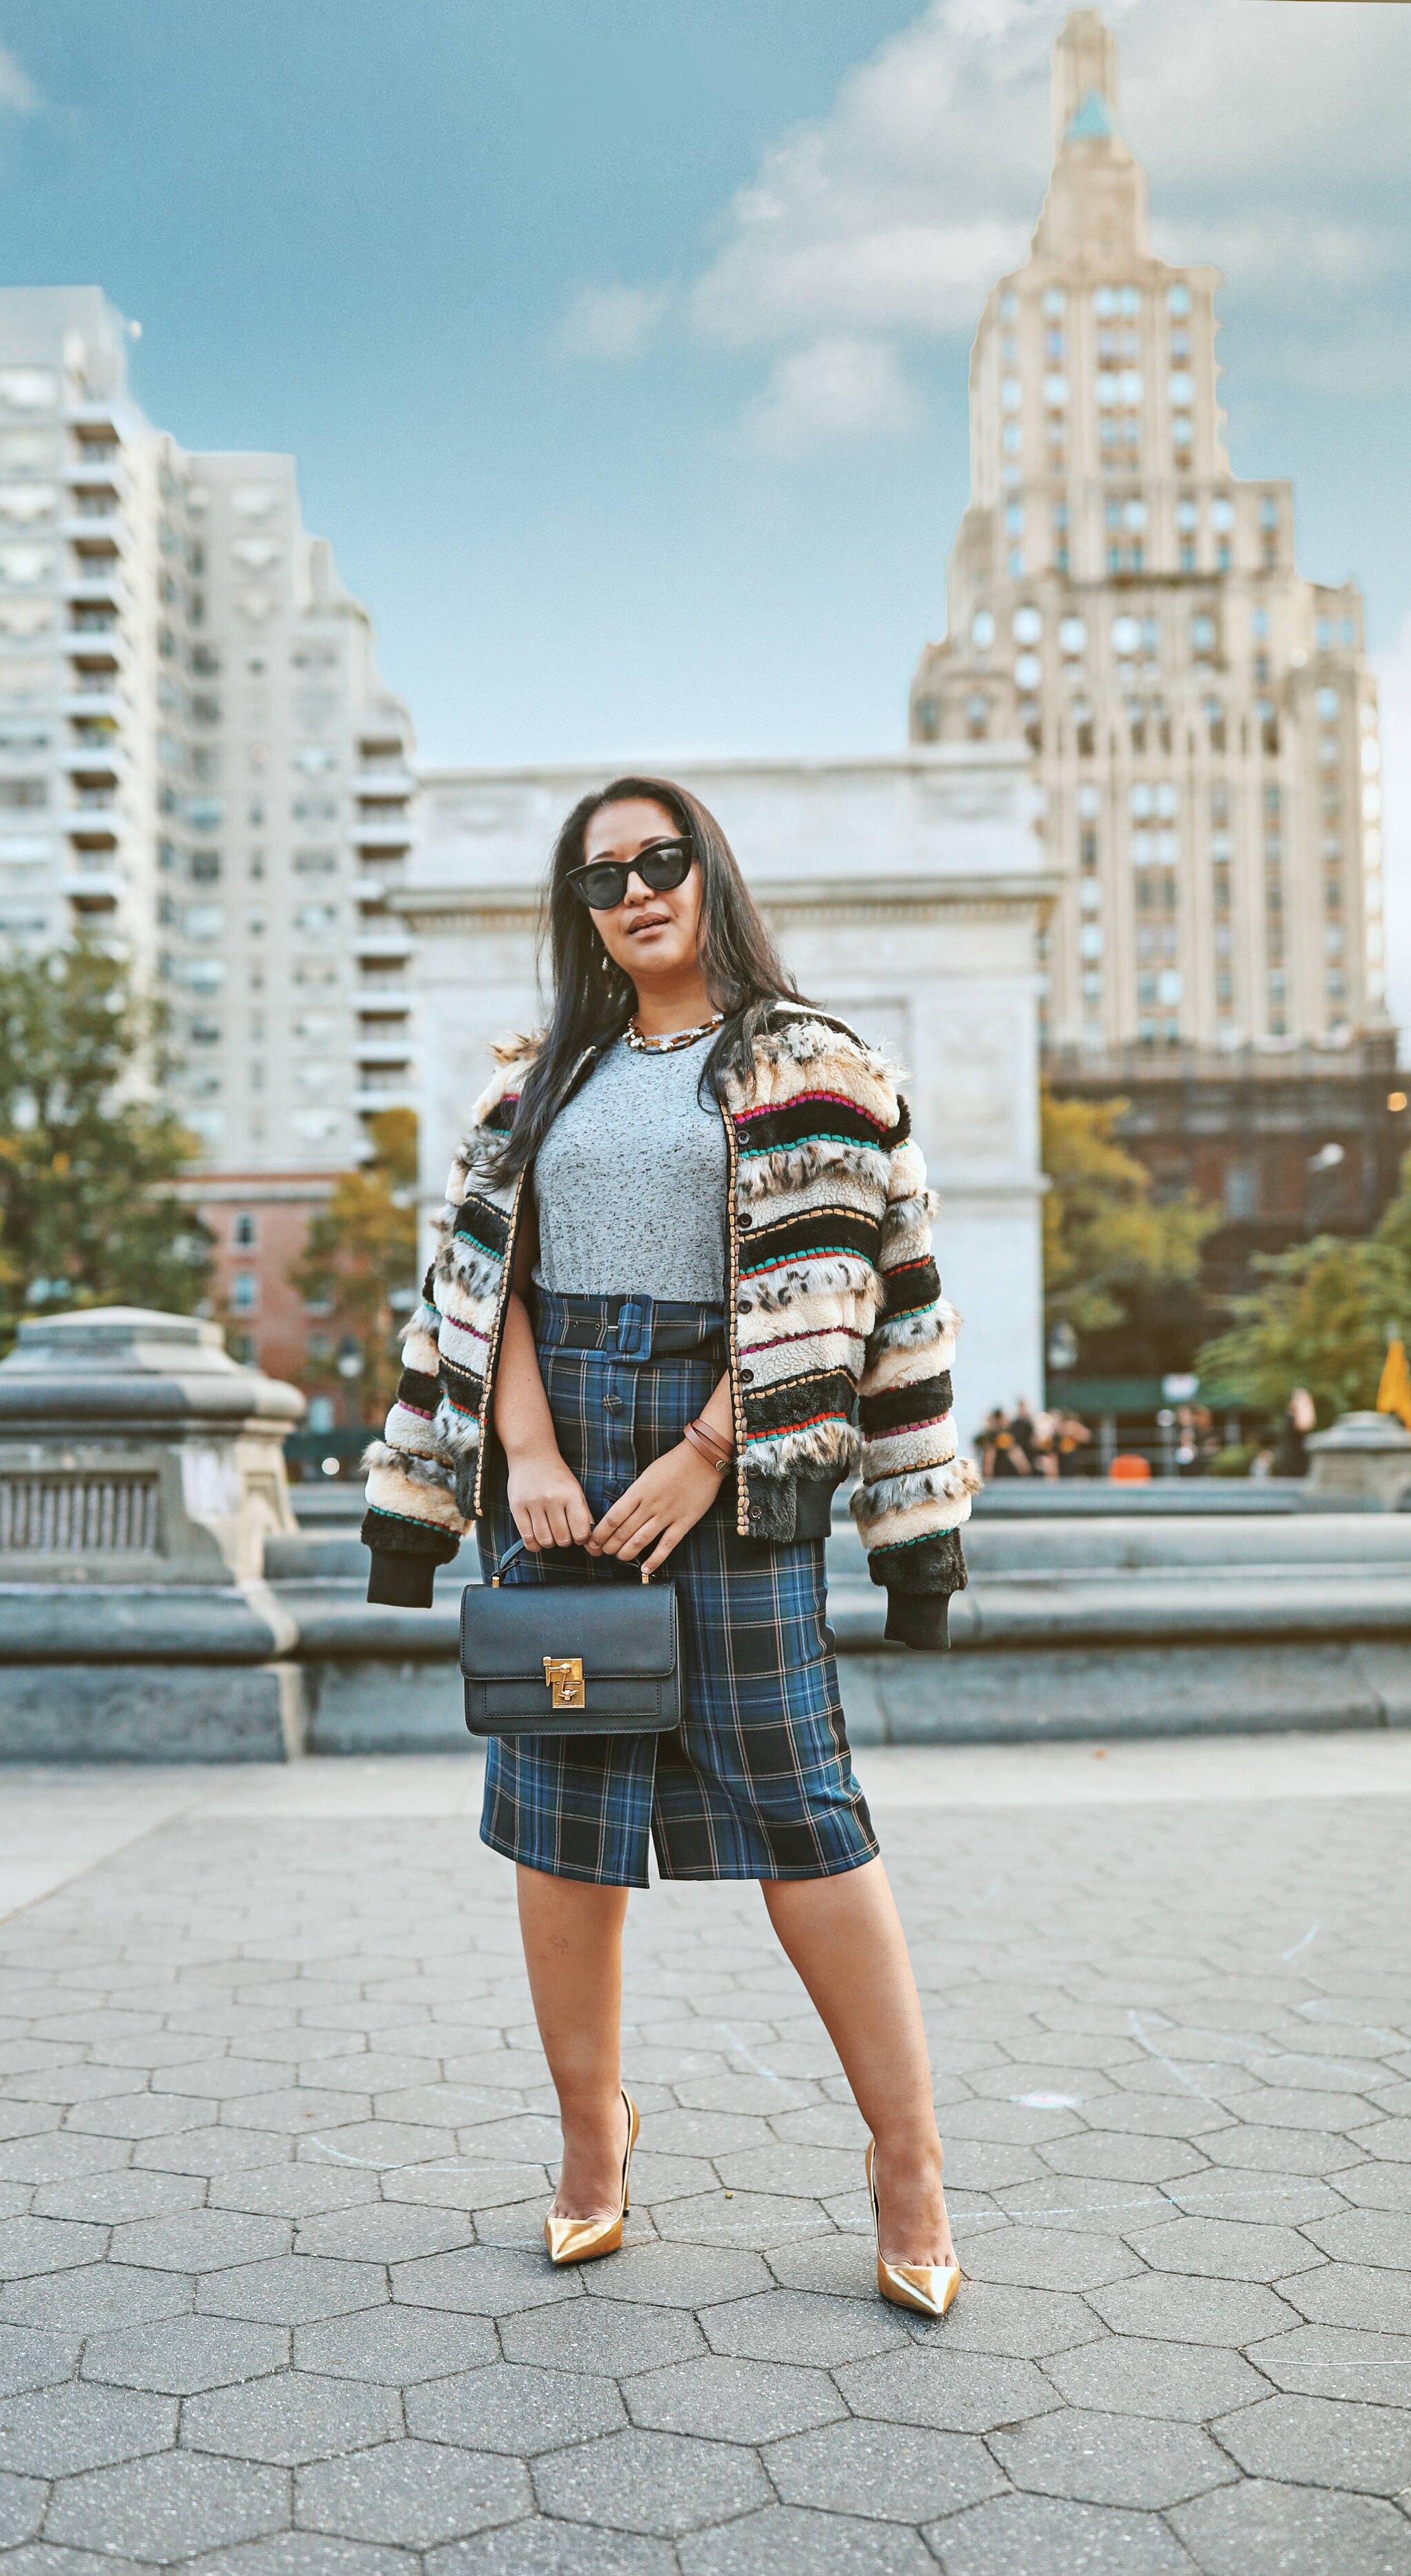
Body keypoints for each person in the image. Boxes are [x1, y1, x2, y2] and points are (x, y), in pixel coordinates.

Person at [363, 776, 975, 2316]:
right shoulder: (536, 1085)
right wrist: (521, 1451)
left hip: (744, 1447)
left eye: (660, 861)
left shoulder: (812, 1065)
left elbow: (848, 1285)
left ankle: (906, 2160)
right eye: (600, 879)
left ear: (709, 872)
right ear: (579, 912)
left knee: (802, 1804)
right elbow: (478, 1281)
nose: (634, 892)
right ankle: (591, 2141)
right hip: (558, 1443)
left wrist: (713, 1447)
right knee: (562, 1815)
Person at [1272, 1385, 1316, 1479]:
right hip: (1294, 1461)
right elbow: (1306, 1425)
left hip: (1294, 1459)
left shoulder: (1290, 1417)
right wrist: (1306, 1404)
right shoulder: (1292, 1419)